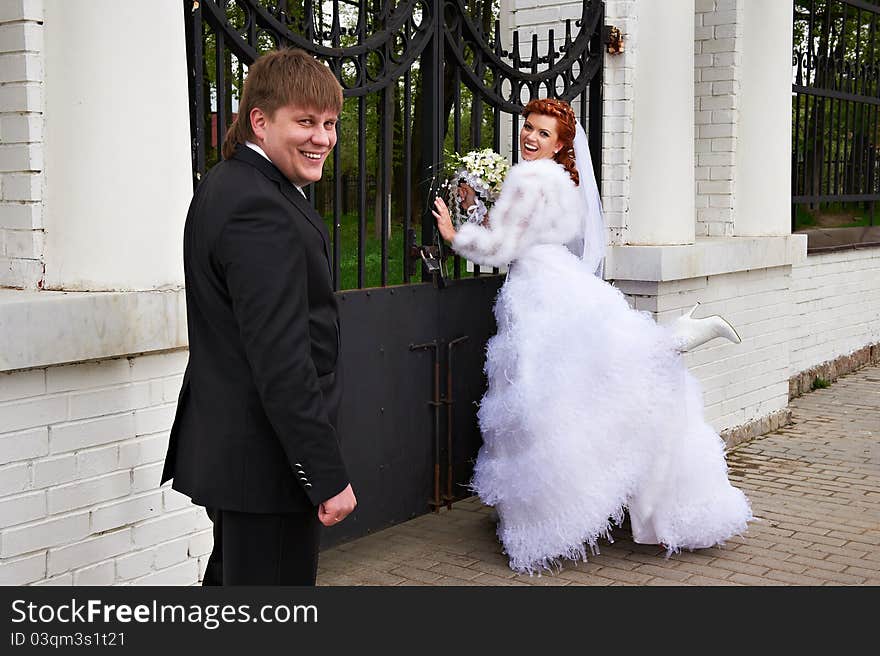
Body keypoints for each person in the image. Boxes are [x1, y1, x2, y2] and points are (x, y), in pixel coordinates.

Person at [433, 98, 752, 574]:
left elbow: (503, 249)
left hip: (538, 292)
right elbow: (531, 234)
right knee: (596, 377)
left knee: (545, 402)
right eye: (528, 127)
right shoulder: (563, 180)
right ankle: (674, 337)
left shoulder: (529, 177)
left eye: (542, 133)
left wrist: (454, 233)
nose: (530, 137)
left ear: (561, 143)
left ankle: (545, 521)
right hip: (565, 278)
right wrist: (478, 206)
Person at [161, 48, 356, 586]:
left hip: (243, 460)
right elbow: (281, 360)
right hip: (265, 468)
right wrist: (325, 475)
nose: (323, 137)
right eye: (306, 121)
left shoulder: (231, 185)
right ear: (260, 121)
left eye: (330, 123)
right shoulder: (258, 207)